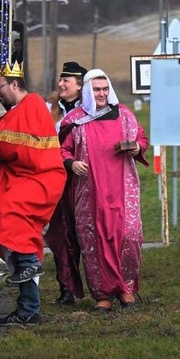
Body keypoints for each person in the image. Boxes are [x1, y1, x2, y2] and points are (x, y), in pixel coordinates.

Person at [0, 62, 66, 327]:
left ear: (15, 85)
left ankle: (29, 268)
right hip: (33, 178)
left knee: (10, 215)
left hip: (38, 181)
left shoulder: (29, 106)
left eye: (1, 86)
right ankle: (29, 309)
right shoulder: (24, 107)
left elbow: (7, 147)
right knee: (15, 228)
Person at [59, 69, 149, 311]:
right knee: (95, 240)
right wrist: (71, 163)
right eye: (96, 89)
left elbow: (142, 138)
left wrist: (136, 148)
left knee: (129, 236)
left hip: (122, 187)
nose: (101, 94)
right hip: (90, 190)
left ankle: (126, 288)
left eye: (105, 89)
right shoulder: (75, 120)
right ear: (88, 90)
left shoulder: (125, 116)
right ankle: (102, 294)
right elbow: (60, 150)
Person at [44, 60, 87, 306]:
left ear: (80, 86)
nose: (60, 84)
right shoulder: (49, 108)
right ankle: (67, 289)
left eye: (66, 81)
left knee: (87, 234)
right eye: (60, 80)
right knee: (61, 234)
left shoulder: (93, 108)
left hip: (85, 179)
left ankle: (101, 288)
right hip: (58, 178)